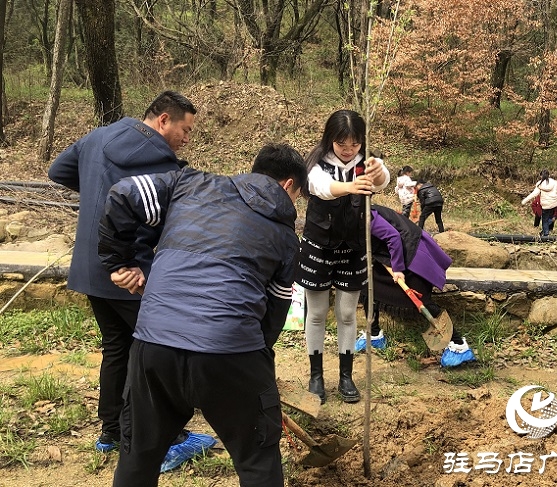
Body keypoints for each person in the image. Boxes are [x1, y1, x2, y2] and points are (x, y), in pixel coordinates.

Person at [98, 143, 308, 487]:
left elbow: (124, 194)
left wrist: (120, 261)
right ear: (288, 186)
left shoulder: (189, 183)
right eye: (297, 196)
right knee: (257, 461)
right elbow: (274, 313)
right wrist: (257, 375)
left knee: (138, 457)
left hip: (154, 345)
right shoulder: (286, 236)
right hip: (231, 354)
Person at [48, 91, 215, 470]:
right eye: (185, 130)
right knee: (154, 354)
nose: (187, 139)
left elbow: (57, 171)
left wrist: (98, 195)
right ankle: (164, 439)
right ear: (162, 121)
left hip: (90, 267)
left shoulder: (97, 137)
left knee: (117, 347)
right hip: (130, 273)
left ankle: (110, 432)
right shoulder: (162, 162)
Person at [297, 109, 390, 404]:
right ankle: (316, 376)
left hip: (354, 247)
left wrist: (379, 173)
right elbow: (318, 188)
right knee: (316, 312)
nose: (349, 150)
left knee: (348, 314)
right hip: (318, 244)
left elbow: (383, 180)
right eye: (342, 144)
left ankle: (346, 377)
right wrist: (349, 186)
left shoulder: (368, 160)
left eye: (355, 144)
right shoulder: (316, 161)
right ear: (330, 140)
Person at [355, 204, 475, 367]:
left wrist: (397, 269)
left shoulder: (361, 212)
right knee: (367, 286)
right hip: (388, 255)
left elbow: (393, 236)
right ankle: (374, 335)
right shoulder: (339, 214)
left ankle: (459, 346)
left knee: (420, 298)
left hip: (410, 250)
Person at [521, 169, 557, 237]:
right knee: (550, 218)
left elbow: (534, 194)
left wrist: (524, 201)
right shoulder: (554, 183)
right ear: (549, 175)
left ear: (540, 176)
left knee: (545, 221)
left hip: (545, 205)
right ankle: (546, 232)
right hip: (554, 204)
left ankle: (546, 235)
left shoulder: (540, 184)